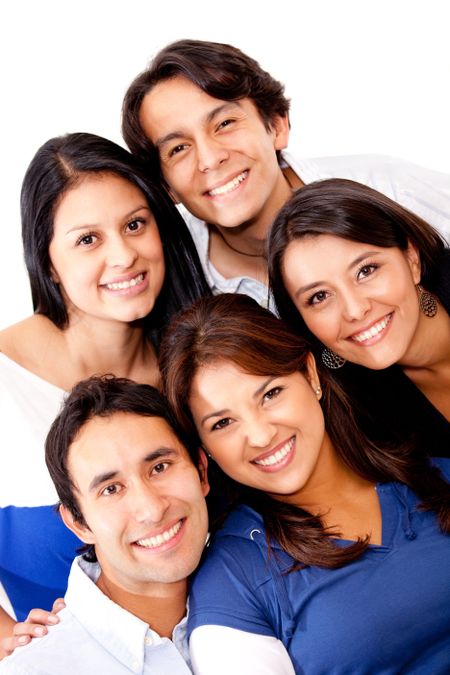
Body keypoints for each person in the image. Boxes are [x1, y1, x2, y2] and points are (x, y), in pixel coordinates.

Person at [159, 293, 450, 674]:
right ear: (204, 448)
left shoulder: (434, 475)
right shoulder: (233, 580)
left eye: (270, 394)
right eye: (223, 423)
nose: (260, 435)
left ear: (310, 375)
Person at [0, 132, 209, 651]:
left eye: (135, 225)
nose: (124, 257)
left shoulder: (198, 361)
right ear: (48, 261)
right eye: (88, 239)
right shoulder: (7, 378)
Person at [122, 39, 450, 308]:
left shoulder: (386, 188)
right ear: (166, 186)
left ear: (277, 125)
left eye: (224, 124)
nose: (209, 159)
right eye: (178, 148)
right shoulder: (170, 274)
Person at [0, 375, 210, 673]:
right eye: (111, 489)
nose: (151, 509)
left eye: (159, 467)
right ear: (78, 523)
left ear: (201, 472)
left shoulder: (270, 593)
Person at [268, 178, 450, 454]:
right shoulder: (355, 408)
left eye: (366, 271)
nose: (354, 310)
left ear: (411, 258)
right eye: (319, 297)